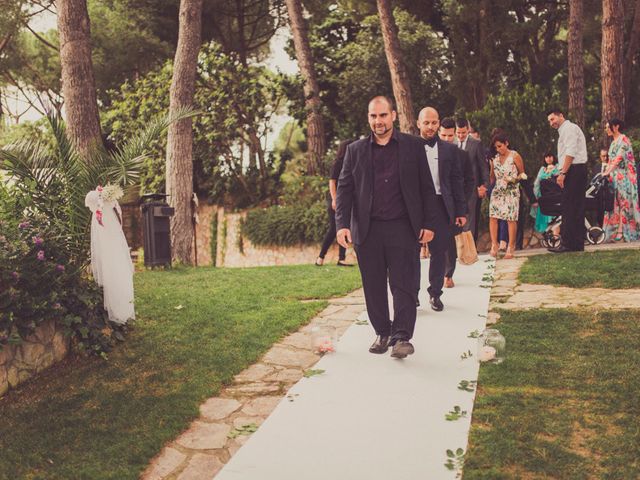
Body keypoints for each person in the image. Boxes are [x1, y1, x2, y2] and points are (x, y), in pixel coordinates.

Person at [335, 95, 436, 359]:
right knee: (373, 284)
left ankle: (402, 337)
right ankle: (382, 331)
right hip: (367, 231)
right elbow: (344, 190)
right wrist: (342, 225)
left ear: (393, 116)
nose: (378, 121)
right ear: (368, 118)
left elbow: (426, 187)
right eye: (373, 116)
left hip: (403, 227)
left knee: (404, 283)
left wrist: (428, 223)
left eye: (382, 115)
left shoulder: (413, 146)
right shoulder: (355, 150)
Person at [416, 107, 466, 310]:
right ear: (418, 123)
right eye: (426, 122)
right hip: (415, 207)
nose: (430, 126)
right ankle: (412, 295)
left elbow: (456, 181)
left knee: (439, 252)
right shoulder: (408, 147)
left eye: (434, 122)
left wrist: (461, 211)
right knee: (411, 253)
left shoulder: (450, 150)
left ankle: (435, 293)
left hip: (441, 205)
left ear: (439, 124)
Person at [546, 108, 588, 252]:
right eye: (549, 121)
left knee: (570, 207)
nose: (551, 123)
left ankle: (568, 244)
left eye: (552, 119)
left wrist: (563, 173)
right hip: (574, 170)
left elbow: (570, 152)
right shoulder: (564, 131)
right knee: (574, 207)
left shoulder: (569, 128)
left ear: (561, 116)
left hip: (575, 170)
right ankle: (576, 244)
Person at [439, 117, 473, 288]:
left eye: (449, 136)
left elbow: (469, 181)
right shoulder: (430, 152)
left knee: (448, 239)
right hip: (434, 202)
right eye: (443, 135)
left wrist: (461, 205)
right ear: (439, 133)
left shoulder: (462, 155)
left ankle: (448, 274)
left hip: (453, 205)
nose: (446, 139)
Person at [316, 140, 354, 267]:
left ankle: (341, 259)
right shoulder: (338, 163)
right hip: (336, 200)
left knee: (344, 228)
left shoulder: (351, 163)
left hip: (345, 201)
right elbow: (332, 182)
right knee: (333, 229)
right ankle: (320, 257)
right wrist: (335, 199)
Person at [488, 132, 526, 259]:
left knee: (511, 219)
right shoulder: (495, 159)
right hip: (498, 191)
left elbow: (522, 174)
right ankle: (494, 244)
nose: (498, 149)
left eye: (500, 146)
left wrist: (513, 180)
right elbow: (492, 178)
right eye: (496, 147)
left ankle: (511, 246)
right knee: (493, 217)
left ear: (506, 143)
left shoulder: (515, 156)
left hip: (512, 191)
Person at [602, 118, 640, 242]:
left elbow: (618, 159)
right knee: (615, 205)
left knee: (624, 205)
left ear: (616, 126)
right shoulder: (613, 143)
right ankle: (613, 232)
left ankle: (623, 232)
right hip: (615, 178)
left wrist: (608, 171)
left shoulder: (624, 140)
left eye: (608, 127)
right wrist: (605, 172)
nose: (606, 129)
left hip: (625, 178)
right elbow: (609, 161)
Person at [456, 118, 489, 241]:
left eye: (463, 133)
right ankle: (459, 249)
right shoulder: (452, 143)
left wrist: (484, 186)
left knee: (470, 219)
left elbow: (483, 167)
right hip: (456, 189)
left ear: (468, 130)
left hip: (472, 188)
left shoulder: (476, 143)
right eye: (458, 133)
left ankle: (469, 250)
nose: (460, 136)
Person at [533, 153, 561, 233]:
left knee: (556, 217)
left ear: (553, 157)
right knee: (545, 216)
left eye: (550, 156)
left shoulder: (558, 166)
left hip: (555, 195)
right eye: (546, 157)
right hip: (544, 196)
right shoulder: (542, 169)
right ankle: (549, 236)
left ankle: (556, 236)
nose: (548, 158)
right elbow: (537, 183)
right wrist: (535, 196)